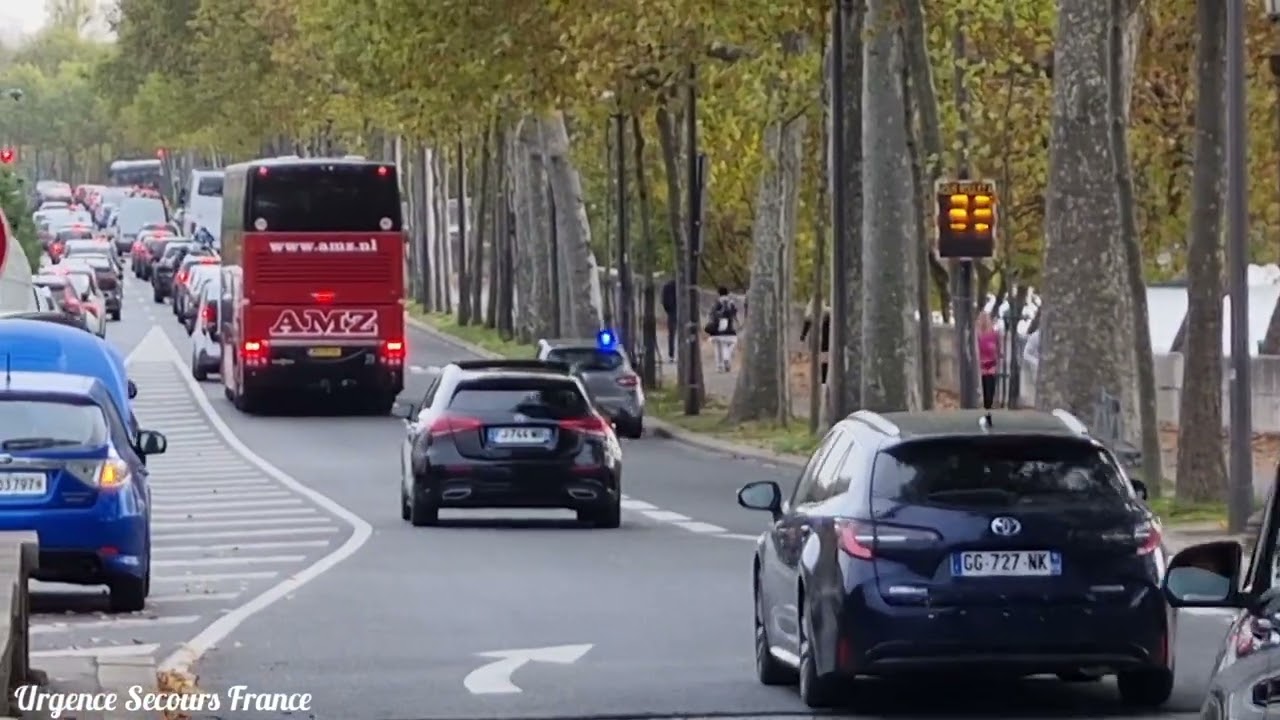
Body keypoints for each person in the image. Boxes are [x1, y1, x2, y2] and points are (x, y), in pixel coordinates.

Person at [705, 287, 739, 372]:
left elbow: (711, 314)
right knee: (731, 343)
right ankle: (726, 358)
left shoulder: (716, 303)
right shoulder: (731, 303)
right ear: (727, 293)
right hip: (729, 329)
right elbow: (734, 314)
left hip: (716, 330)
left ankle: (719, 366)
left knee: (718, 348)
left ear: (718, 293)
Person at [800, 300, 831, 384]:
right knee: (820, 361)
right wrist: (802, 340)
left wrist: (802, 340)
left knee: (824, 361)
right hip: (818, 342)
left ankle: (823, 381)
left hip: (825, 341)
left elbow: (805, 329)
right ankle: (821, 380)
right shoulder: (810, 314)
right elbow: (805, 328)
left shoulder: (828, 314)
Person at [977, 311, 1000, 409]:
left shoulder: (994, 333)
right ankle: (987, 406)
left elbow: (998, 347)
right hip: (983, 362)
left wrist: (997, 358)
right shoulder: (978, 334)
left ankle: (989, 405)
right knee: (986, 386)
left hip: (991, 361)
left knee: (990, 385)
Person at [661, 278, 677, 361]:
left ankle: (671, 355)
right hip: (678, 311)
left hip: (672, 313)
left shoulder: (667, 286)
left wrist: (669, 310)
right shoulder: (685, 284)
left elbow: (664, 301)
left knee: (672, 335)